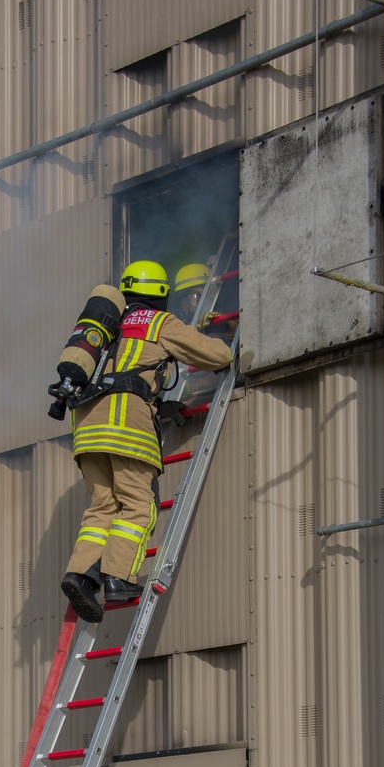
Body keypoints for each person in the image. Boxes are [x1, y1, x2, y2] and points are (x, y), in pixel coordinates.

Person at [60, 260, 234, 624]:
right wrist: (217, 335)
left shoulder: (108, 326)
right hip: (126, 426)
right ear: (160, 293)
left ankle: (81, 574)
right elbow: (218, 357)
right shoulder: (159, 323)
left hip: (86, 428)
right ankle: (119, 577)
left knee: (102, 508)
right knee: (139, 506)